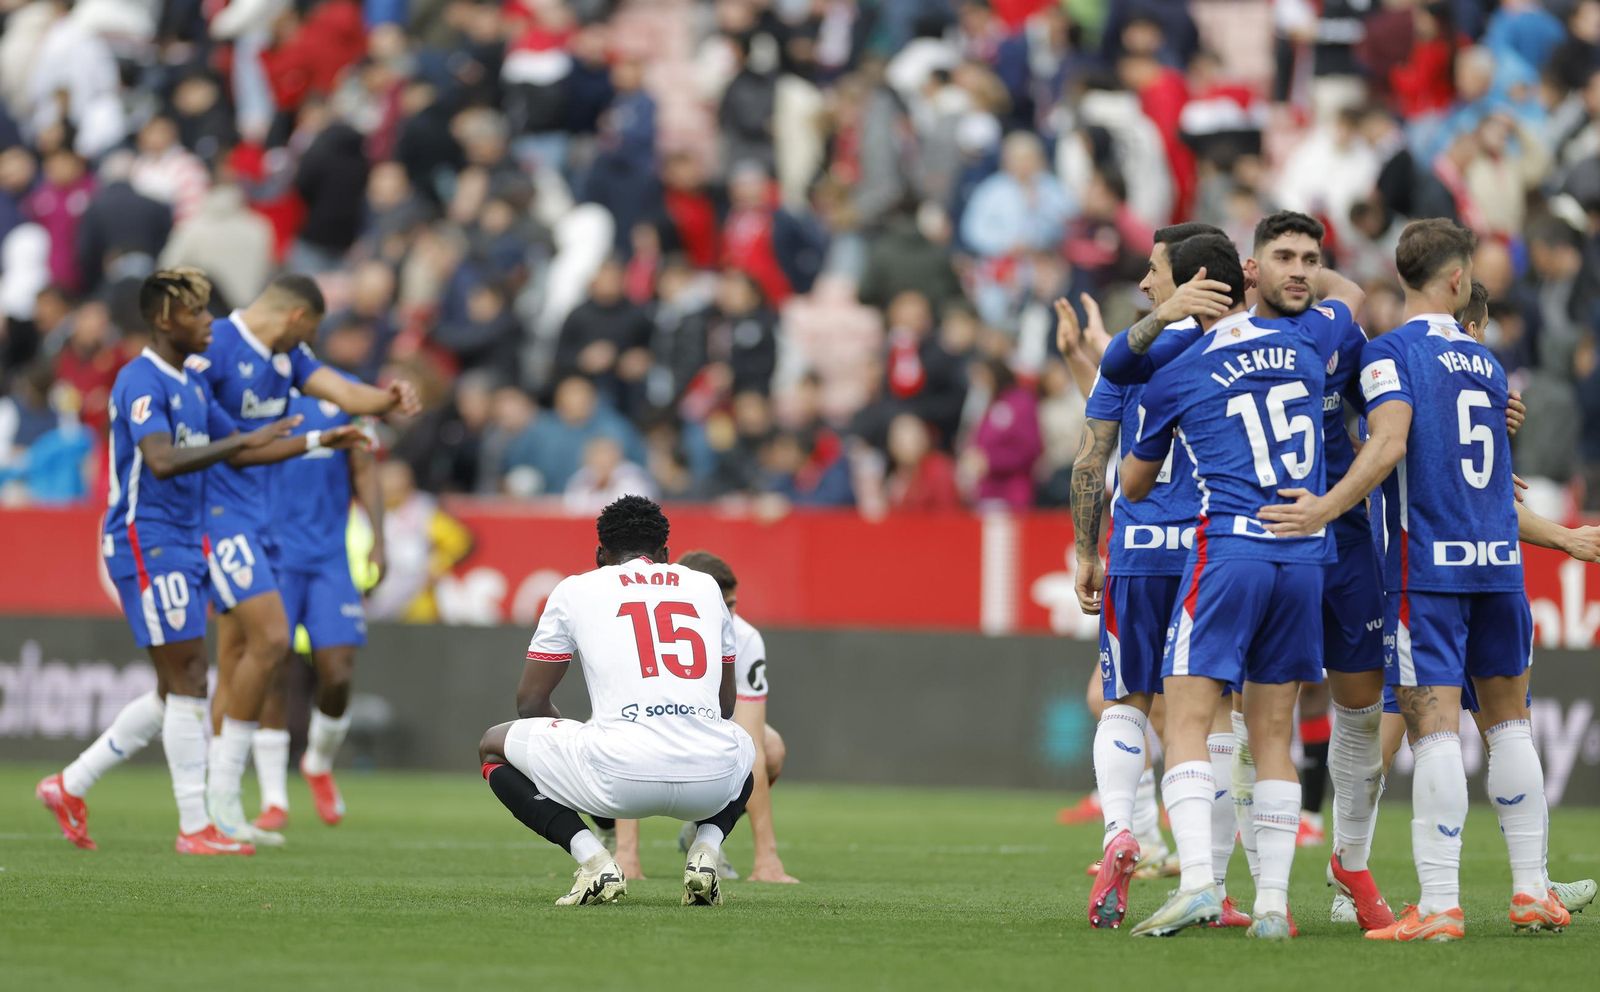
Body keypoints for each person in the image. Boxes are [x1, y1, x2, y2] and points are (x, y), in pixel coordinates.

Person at [1263, 227, 1570, 939]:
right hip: (1497, 564)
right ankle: (1530, 891)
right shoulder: (1489, 365)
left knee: (1435, 733)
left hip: (1425, 570)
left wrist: (1326, 505)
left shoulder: (1389, 354)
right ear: (1460, 282)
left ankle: (1438, 906)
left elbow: (1391, 442)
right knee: (1510, 724)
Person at [35, 268, 364, 854]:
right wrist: (239, 442)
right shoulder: (140, 382)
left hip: (185, 540)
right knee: (190, 679)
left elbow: (243, 448)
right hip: (147, 540)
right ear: (165, 320)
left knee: (176, 688)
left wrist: (317, 441)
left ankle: (71, 783)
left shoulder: (187, 382)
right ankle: (196, 826)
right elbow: (161, 460)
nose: (209, 322)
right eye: (197, 313)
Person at [1119, 233, 1362, 939]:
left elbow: (1134, 485)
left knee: (1189, 718)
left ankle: (1198, 882)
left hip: (1230, 550)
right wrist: (1300, 275)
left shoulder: (1179, 370)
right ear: (1247, 279)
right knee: (1274, 732)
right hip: (1305, 554)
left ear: (1192, 289)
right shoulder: (1307, 342)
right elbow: (1346, 300)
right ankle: (1275, 906)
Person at [197, 274, 419, 847]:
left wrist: (390, 400)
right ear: (298, 318)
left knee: (330, 669)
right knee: (254, 657)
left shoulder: (293, 365)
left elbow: (358, 417)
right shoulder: (218, 348)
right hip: (246, 533)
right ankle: (252, 800)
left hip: (321, 553)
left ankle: (287, 775)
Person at [1075, 221, 1248, 930]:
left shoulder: (1127, 358)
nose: (1145, 283)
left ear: (1193, 279)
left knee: (1125, 702)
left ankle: (1123, 831)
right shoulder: (1252, 350)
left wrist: (1087, 548)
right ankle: (1215, 882)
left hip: (1139, 551)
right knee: (1217, 719)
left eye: (1155, 270)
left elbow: (1091, 461)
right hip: (1215, 553)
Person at [476, 496, 757, 906]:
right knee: (742, 744)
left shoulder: (575, 589)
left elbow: (531, 702)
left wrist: (582, 747)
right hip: (709, 783)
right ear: (665, 554)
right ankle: (706, 850)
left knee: (492, 747)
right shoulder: (705, 585)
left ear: (599, 554)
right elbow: (724, 705)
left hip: (616, 777)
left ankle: (594, 862)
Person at [610, 550, 799, 885]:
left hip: (707, 733)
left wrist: (767, 861)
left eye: (732, 605)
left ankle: (705, 831)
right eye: (719, 604)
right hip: (648, 732)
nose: (726, 615)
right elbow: (626, 727)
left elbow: (751, 741)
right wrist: (627, 856)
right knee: (612, 741)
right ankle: (608, 832)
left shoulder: (745, 639)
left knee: (770, 749)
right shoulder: (647, 631)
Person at [249, 381, 385, 831]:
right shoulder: (255, 396)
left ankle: (318, 762)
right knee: (274, 665)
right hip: (274, 555)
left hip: (330, 559)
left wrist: (378, 540)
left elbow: (363, 468)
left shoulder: (344, 401)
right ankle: (273, 799)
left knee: (338, 670)